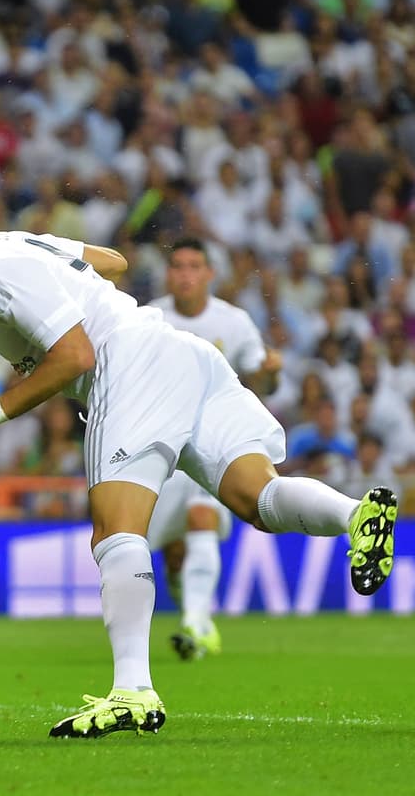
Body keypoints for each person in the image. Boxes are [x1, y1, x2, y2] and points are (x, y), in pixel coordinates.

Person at [0, 192, 397, 739]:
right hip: (179, 353)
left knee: (115, 529)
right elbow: (113, 263)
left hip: (129, 363)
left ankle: (133, 692)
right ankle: (357, 516)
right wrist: (68, 279)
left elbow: (76, 356)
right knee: (258, 499)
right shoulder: (10, 246)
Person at [147, 238, 281, 661]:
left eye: (194, 266)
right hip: (161, 447)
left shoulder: (235, 323)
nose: (185, 274)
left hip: (212, 443)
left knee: (201, 516)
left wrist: (270, 374)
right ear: (168, 274)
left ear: (209, 274)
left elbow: (262, 385)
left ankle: (197, 625)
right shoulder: (150, 320)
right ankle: (194, 611)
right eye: (178, 266)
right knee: (174, 553)